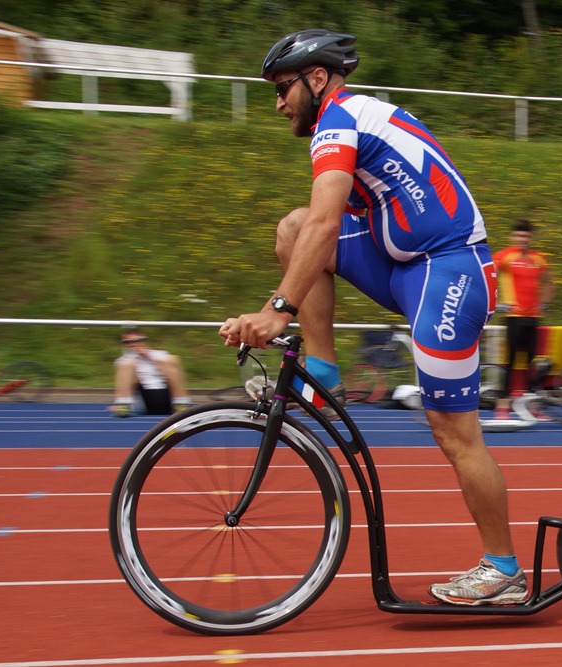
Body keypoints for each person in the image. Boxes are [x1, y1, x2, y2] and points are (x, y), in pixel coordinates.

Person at [218, 29, 526, 606]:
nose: (277, 102)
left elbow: (328, 225)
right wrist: (273, 308)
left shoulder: (342, 117)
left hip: (450, 270)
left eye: (283, 88)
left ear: (316, 79)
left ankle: (503, 569)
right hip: (401, 258)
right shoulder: (344, 121)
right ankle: (326, 371)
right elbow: (310, 232)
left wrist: (276, 310)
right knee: (292, 225)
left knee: (453, 432)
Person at [492, 219, 553, 420]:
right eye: (519, 236)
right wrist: (497, 303)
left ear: (531, 238)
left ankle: (532, 406)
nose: (522, 239)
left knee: (531, 363)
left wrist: (543, 303)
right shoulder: (505, 256)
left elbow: (549, 282)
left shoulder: (539, 259)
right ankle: (502, 407)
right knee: (509, 362)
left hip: (533, 318)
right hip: (513, 317)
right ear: (513, 237)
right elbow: (487, 276)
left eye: (526, 236)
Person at [111, 327, 193, 417]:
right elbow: (127, 382)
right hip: (145, 394)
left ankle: (181, 404)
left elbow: (170, 371)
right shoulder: (124, 360)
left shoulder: (161, 354)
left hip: (165, 392)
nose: (133, 344)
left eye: (137, 341)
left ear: (144, 341)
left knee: (172, 359)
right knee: (127, 363)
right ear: (124, 344)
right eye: (128, 342)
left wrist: (147, 356)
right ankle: (123, 405)